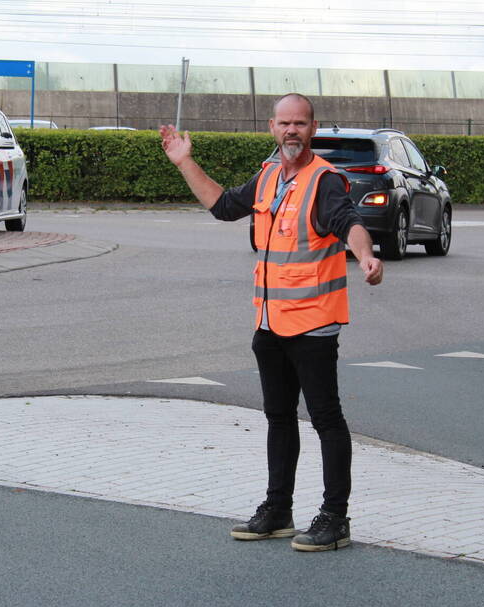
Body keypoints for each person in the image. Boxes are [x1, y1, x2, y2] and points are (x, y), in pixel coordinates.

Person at [159, 93, 383, 552]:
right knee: (279, 417)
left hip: (313, 325)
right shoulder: (267, 179)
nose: (292, 131)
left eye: (300, 123)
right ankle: (278, 509)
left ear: (312, 129)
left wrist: (366, 255)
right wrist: (183, 161)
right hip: (269, 321)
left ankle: (334, 518)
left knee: (325, 419)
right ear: (271, 127)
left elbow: (349, 222)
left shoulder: (324, 180)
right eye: (284, 123)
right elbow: (222, 206)